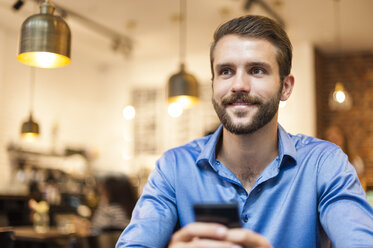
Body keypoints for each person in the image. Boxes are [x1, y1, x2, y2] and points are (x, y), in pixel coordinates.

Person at [116, 15, 373, 248]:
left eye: (257, 70)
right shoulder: (173, 167)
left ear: (285, 87)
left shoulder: (324, 163)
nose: (239, 84)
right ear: (214, 84)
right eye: (226, 71)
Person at [324, 124, 366, 188]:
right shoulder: (322, 162)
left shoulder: (355, 161)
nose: (334, 137)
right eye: (330, 136)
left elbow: (358, 184)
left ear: (343, 138)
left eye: (337, 135)